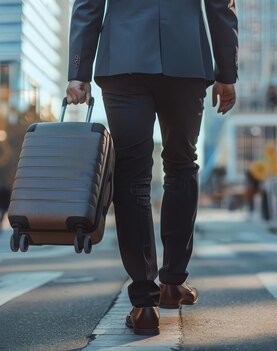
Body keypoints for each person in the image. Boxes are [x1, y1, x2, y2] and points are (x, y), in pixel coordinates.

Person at [67, 0, 238, 335]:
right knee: (181, 166)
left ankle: (144, 302)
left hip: (123, 59)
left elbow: (88, 5)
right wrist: (226, 74)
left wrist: (78, 73)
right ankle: (172, 283)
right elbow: (221, 5)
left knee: (132, 175)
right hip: (186, 60)